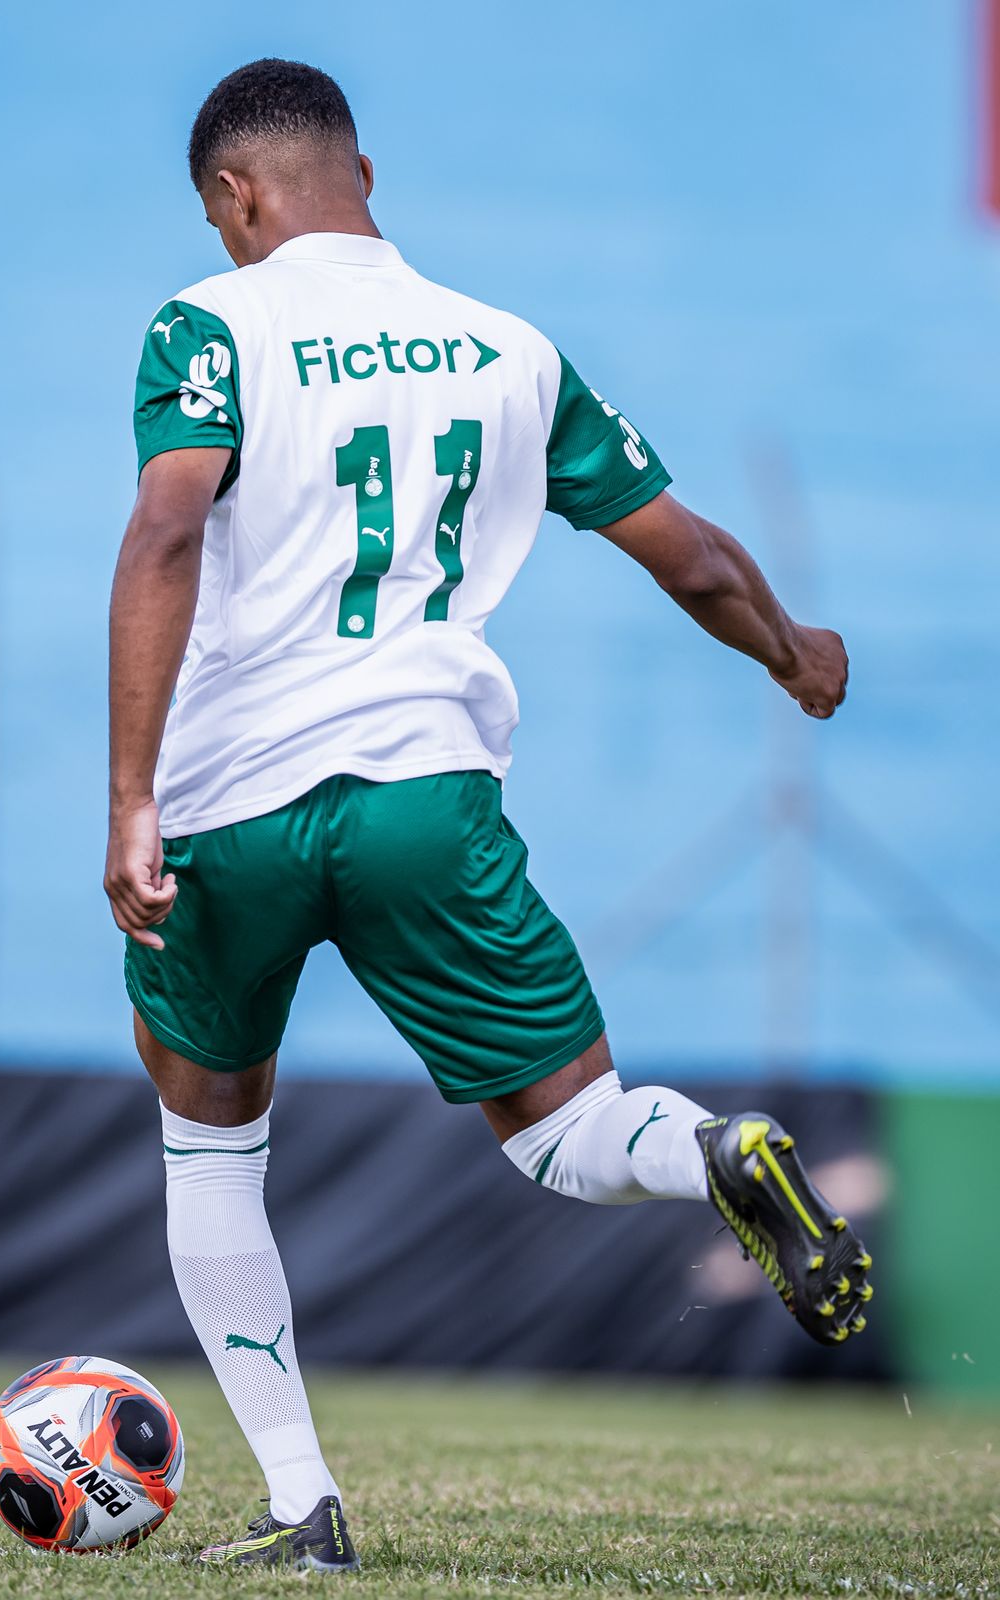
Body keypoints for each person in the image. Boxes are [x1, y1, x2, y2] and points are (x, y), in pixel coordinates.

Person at [104, 60, 872, 1570]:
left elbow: (166, 529)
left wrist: (131, 795)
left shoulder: (209, 323)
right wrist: (793, 651)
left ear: (232, 198)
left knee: (210, 1149)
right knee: (569, 1131)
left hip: (230, 809)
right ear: (364, 176)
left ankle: (302, 1500)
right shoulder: (509, 349)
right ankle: (716, 1147)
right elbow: (691, 554)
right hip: (425, 793)